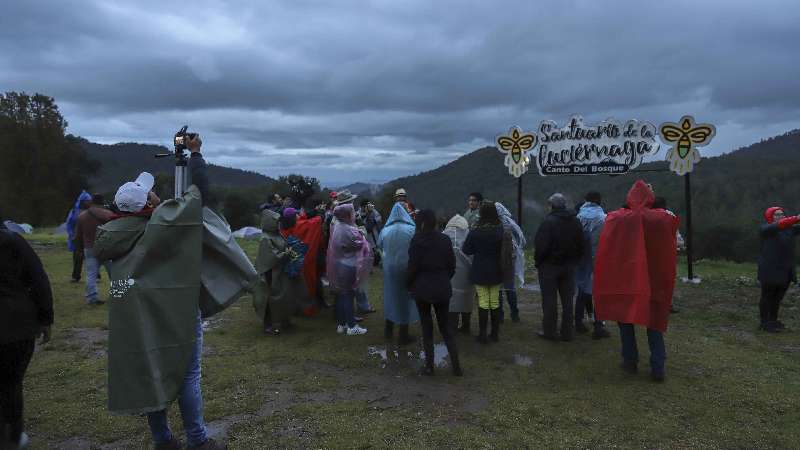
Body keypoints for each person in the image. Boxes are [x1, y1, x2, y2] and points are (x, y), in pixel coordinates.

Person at [93, 133, 227, 449]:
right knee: (189, 375)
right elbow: (201, 196)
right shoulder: (164, 227)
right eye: (150, 194)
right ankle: (197, 440)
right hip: (177, 312)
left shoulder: (109, 237)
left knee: (151, 371)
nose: (154, 195)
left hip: (137, 316)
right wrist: (195, 155)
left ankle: (162, 439)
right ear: (145, 205)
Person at [593, 180, 679, 382]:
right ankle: (658, 367)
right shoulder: (663, 219)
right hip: (655, 279)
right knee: (654, 324)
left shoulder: (616, 218)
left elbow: (606, 247)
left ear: (629, 197)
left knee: (625, 321)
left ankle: (630, 361)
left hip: (625, 279)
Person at [0, 217, 53, 449]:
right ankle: (13, 434)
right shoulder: (13, 241)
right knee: (11, 382)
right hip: (17, 326)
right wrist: (46, 318)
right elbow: (38, 278)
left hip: (15, 325)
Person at [407, 209, 462, 376]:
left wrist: (409, 285)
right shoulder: (445, 239)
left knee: (426, 327)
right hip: (441, 287)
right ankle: (457, 367)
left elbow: (412, 267)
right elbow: (452, 266)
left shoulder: (417, 240)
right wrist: (444, 278)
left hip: (422, 288)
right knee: (446, 328)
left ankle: (430, 366)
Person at [533, 193, 585, 342]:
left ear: (552, 206)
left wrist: (539, 262)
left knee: (549, 300)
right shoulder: (575, 221)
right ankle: (567, 332)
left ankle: (550, 331)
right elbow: (582, 244)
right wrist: (575, 261)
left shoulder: (548, 222)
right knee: (568, 301)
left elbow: (541, 246)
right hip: (569, 267)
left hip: (549, 267)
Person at [463, 201, 512, 344]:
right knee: (495, 301)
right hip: (497, 270)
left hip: (480, 270)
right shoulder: (501, 230)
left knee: (483, 301)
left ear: (482, 214)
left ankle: (482, 335)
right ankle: (495, 334)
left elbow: (467, 250)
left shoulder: (476, 231)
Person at [378, 202, 420, 344]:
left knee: (391, 296)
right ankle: (403, 334)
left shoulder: (385, 231)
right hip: (407, 268)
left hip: (390, 269)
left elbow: (379, 245)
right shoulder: (412, 229)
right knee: (406, 299)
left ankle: (388, 330)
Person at [255, 209, 302, 335]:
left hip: (280, 271)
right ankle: (268, 324)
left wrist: (291, 248)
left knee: (284, 296)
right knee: (270, 298)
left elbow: (282, 247)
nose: (278, 224)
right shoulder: (265, 238)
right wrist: (285, 253)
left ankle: (284, 320)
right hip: (270, 273)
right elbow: (271, 257)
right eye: (276, 221)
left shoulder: (277, 234)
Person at [327, 204, 371, 335]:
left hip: (340, 264)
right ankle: (352, 326)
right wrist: (362, 233)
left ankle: (342, 324)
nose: (354, 215)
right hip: (349, 265)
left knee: (341, 295)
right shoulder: (347, 229)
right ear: (346, 216)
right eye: (352, 213)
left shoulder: (337, 227)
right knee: (348, 295)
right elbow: (359, 244)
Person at [757, 206, 800, 332]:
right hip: (769, 269)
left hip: (786, 271)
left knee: (777, 298)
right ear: (770, 217)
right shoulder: (766, 229)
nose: (780, 216)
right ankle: (765, 323)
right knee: (767, 296)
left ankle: (773, 321)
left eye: (782, 214)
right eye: (776, 214)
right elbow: (780, 225)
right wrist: (797, 218)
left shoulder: (790, 230)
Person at [575, 192, 611, 339]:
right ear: (599, 201)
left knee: (582, 289)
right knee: (599, 291)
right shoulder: (604, 218)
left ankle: (578, 322)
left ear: (585, 201)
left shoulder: (578, 217)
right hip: (599, 257)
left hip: (581, 257)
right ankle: (598, 325)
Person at [74, 192, 114, 305]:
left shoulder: (82, 216)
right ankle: (118, 296)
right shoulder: (109, 215)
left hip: (89, 247)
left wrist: (78, 250)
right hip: (107, 248)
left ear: (92, 201)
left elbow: (77, 236)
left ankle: (92, 298)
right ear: (102, 201)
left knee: (91, 275)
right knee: (114, 274)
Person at [442, 215, 475, 335]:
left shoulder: (444, 234)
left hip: (451, 274)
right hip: (467, 274)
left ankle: (453, 326)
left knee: (452, 300)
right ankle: (466, 326)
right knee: (467, 299)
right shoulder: (469, 235)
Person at [496, 202, 525, 323]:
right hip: (509, 261)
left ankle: (500, 315)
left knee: (498, 290)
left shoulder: (494, 225)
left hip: (497, 261)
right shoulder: (509, 223)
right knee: (510, 288)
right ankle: (515, 314)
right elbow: (521, 239)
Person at [67, 190, 92, 283]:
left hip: (88, 237)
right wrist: (71, 235)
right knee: (78, 257)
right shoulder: (74, 211)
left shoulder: (91, 211)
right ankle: (76, 276)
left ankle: (96, 275)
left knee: (91, 257)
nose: (89, 202)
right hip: (78, 238)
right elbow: (69, 224)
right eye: (87, 200)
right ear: (83, 201)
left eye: (90, 200)